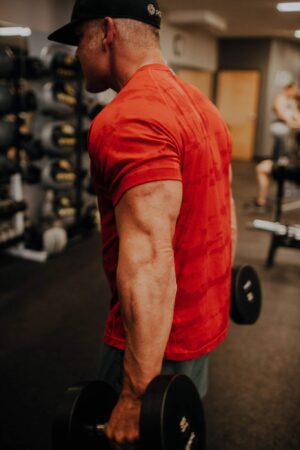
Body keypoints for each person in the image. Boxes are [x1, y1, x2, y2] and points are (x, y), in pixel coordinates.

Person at [49, 0, 236, 447]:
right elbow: (223, 211)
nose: (75, 54)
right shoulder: (203, 106)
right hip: (199, 323)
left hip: (155, 344)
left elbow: (151, 261)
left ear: (106, 32)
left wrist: (135, 395)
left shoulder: (129, 118)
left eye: (79, 40)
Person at [251, 80, 300, 212]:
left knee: (263, 167)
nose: (295, 92)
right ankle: (280, 160)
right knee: (284, 137)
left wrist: (295, 123)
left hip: (297, 167)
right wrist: (291, 122)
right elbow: (282, 114)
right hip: (281, 126)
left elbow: (296, 116)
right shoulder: (280, 98)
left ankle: (262, 200)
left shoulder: (293, 104)